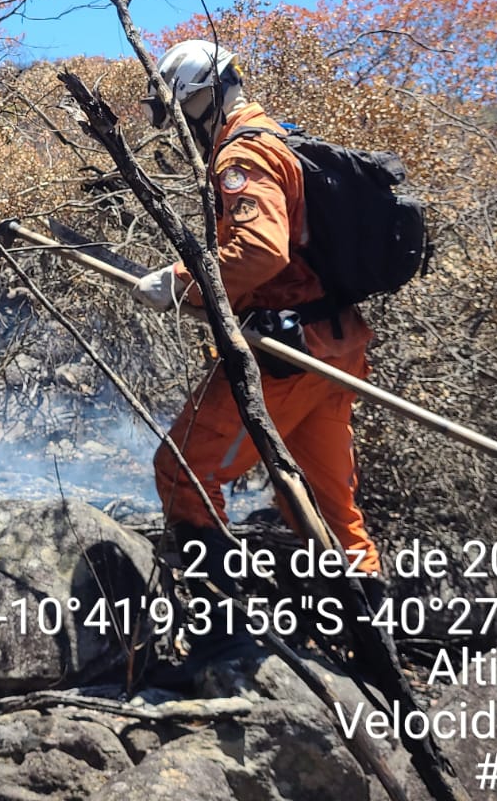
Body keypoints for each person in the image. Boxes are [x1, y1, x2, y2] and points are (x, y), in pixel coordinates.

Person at [134, 38, 388, 617]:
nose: (178, 129)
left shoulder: (240, 156)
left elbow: (260, 252)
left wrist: (179, 281)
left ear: (201, 100)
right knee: (321, 504)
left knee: (183, 471)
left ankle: (228, 623)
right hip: (335, 346)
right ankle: (371, 643)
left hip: (289, 351)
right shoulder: (276, 137)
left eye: (178, 112)